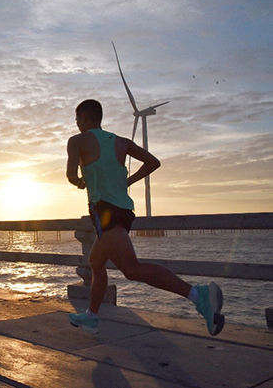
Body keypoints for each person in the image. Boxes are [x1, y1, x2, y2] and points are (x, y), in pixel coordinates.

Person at [66, 99, 224, 336]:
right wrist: (126, 181)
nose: (77, 124)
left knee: (131, 269)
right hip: (124, 211)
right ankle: (91, 316)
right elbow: (153, 162)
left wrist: (80, 182)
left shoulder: (76, 141)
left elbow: (70, 175)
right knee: (96, 262)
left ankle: (197, 295)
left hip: (105, 211)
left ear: (86, 118)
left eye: (77, 119)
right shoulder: (121, 141)